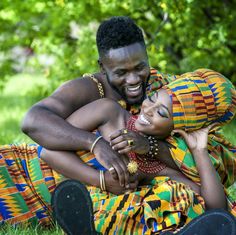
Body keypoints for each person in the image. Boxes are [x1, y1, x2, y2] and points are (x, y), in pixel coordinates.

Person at [43, 68, 236, 234]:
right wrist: (102, 180)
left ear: (180, 127)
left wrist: (199, 149)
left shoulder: (167, 164)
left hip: (124, 216)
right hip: (78, 192)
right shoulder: (111, 114)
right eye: (151, 98)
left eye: (162, 113)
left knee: (179, 195)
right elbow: (48, 151)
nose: (148, 109)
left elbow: (215, 211)